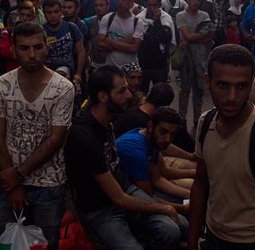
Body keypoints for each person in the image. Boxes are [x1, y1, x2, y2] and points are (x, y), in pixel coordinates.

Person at [187, 44, 255, 250]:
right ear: (207, 81)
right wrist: (192, 241)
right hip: (211, 238)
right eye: (223, 85)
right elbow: (200, 182)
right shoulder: (205, 123)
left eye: (241, 86)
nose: (231, 97)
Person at [64, 65, 182, 250]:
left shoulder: (109, 119)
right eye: (122, 90)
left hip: (125, 190)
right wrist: (164, 207)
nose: (129, 94)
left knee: (174, 229)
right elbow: (118, 199)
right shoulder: (84, 137)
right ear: (103, 97)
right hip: (101, 210)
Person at [0, 23, 74, 249]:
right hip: (9, 181)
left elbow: (56, 139)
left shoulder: (63, 88)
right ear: (14, 51)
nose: (32, 55)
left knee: (45, 243)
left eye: (38, 47)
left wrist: (17, 175)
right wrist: (13, 183)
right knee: (5, 240)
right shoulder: (0, 86)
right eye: (25, 48)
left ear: (47, 48)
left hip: (49, 183)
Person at [116, 107, 191, 208]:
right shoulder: (134, 149)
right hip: (130, 198)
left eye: (172, 134)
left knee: (192, 194)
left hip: (146, 189)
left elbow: (157, 179)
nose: (168, 139)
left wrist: (189, 194)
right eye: (163, 132)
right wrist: (183, 209)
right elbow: (148, 197)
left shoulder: (152, 140)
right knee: (182, 221)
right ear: (150, 126)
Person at [177, 0, 215, 127]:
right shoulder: (181, 15)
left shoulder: (204, 15)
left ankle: (197, 118)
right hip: (186, 59)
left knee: (199, 89)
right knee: (185, 89)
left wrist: (192, 38)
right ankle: (182, 118)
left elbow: (211, 35)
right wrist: (199, 37)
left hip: (201, 58)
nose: (196, 2)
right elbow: (187, 35)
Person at [98, 0, 145, 69]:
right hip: (111, 68)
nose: (120, 2)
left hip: (130, 70)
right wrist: (127, 43)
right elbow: (100, 45)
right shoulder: (107, 19)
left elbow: (134, 48)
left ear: (131, 1)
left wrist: (109, 40)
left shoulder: (137, 22)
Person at [137, 0, 176, 92]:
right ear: (146, 5)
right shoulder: (139, 19)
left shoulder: (165, 18)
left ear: (159, 5)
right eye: (149, 5)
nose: (152, 8)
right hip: (143, 63)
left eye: (155, 5)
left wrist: (157, 22)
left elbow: (166, 39)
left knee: (160, 93)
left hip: (159, 64)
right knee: (141, 93)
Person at [43, 0, 86, 85]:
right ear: (44, 14)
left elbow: (81, 52)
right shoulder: (40, 31)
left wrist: (78, 74)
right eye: (49, 12)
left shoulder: (71, 27)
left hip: (69, 77)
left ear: (61, 12)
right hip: (48, 78)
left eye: (56, 12)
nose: (53, 16)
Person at [0, 1, 38, 73]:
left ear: (33, 17)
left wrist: (16, 53)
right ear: (18, 15)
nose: (24, 18)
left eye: (28, 15)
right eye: (22, 15)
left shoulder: (37, 33)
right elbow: (3, 51)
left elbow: (39, 53)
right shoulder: (7, 32)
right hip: (11, 73)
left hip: (31, 73)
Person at [83, 0, 110, 71]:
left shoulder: (113, 21)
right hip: (95, 64)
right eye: (96, 5)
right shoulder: (91, 21)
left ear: (107, 6)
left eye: (101, 5)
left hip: (110, 63)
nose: (98, 8)